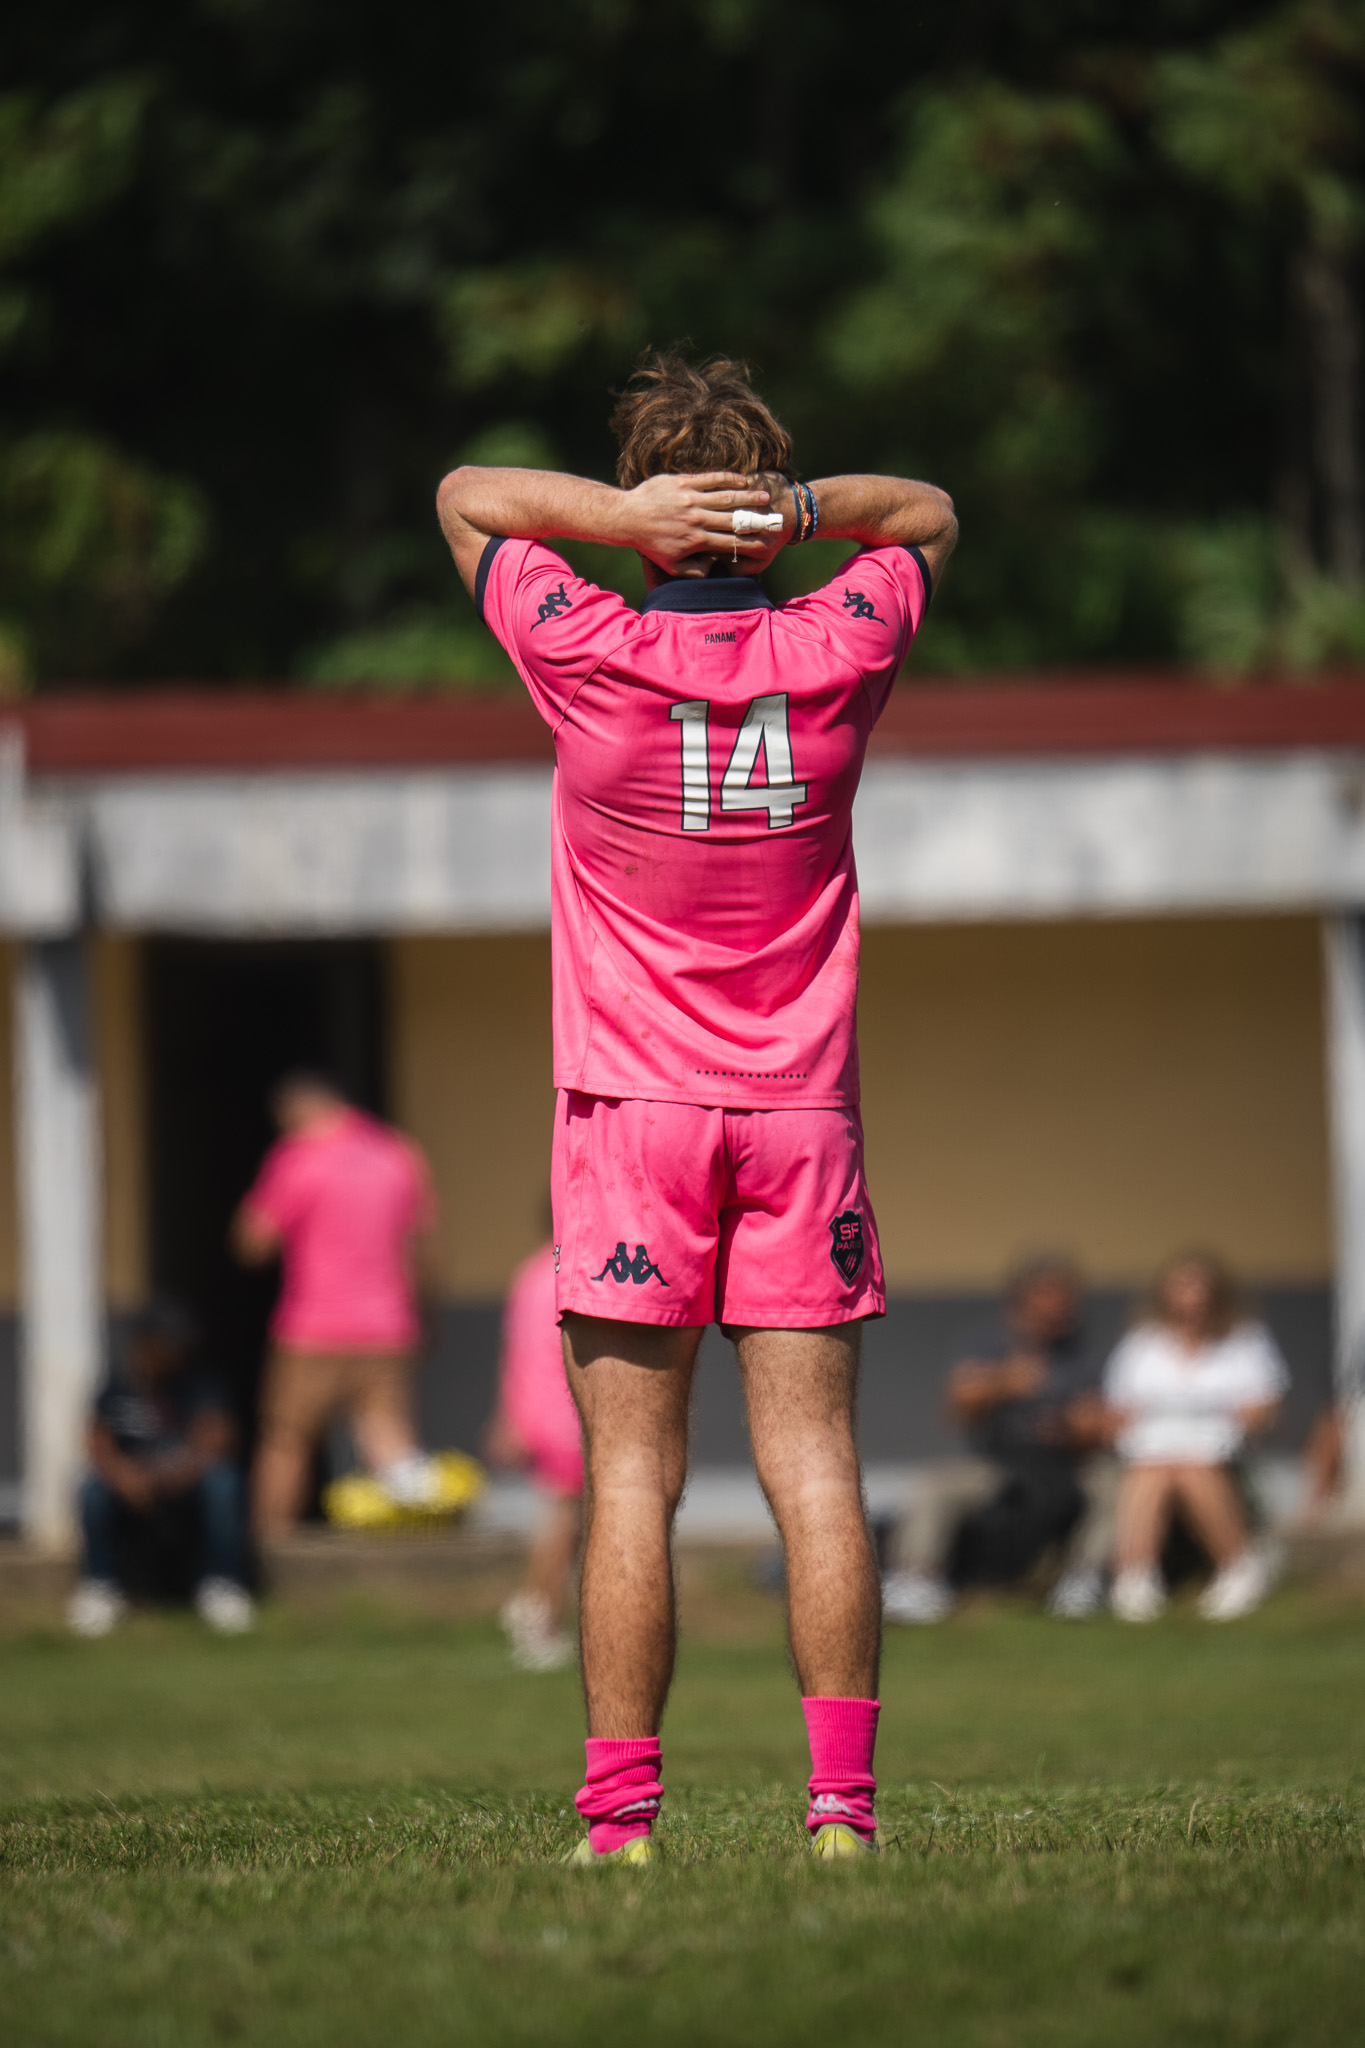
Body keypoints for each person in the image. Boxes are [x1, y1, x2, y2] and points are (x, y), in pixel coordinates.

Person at [437, 351, 957, 1861]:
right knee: (816, 1465)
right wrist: (793, 512)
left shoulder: (587, 644)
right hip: (800, 1115)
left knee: (629, 1475)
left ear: (651, 507)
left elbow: (465, 497)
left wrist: (619, 519)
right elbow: (926, 513)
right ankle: (841, 1814)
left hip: (631, 1113)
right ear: (763, 509)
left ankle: (622, 1824)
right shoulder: (837, 643)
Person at [233, 1072, 440, 1536]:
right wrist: (426, 1316)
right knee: (389, 1439)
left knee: (286, 1440)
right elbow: (423, 1249)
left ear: (293, 1111)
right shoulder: (398, 1154)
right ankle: (417, 1550)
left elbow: (253, 1243)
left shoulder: (297, 1157)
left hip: (311, 1330)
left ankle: (270, 1549)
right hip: (388, 1327)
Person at [882, 1256, 1117, 1624]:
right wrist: (1006, 1383)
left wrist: (1070, 1427)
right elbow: (959, 1403)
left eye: (1068, 1298)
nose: (1061, 1307)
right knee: (935, 1487)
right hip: (999, 1462)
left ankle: (1083, 1581)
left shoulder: (1083, 1353)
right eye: (1051, 1296)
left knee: (1116, 1487)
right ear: (1024, 1298)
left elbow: (1104, 1422)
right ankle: (915, 1580)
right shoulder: (988, 1344)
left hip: (1069, 1465)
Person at [1104, 1252, 1288, 1622]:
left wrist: (1218, 1414)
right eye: (1183, 1289)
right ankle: (1135, 1576)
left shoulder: (1245, 1341)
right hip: (1152, 1447)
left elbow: (1264, 1408)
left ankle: (1237, 1567)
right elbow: (1117, 1409)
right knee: (1154, 1469)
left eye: (1199, 1289)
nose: (1192, 1300)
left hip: (1221, 1447)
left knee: (1191, 1468)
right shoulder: (1143, 1343)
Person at [68, 1299, 254, 1637]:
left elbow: (218, 1438)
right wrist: (123, 1475)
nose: (175, 1351)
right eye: (168, 1342)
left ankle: (221, 1584)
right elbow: (97, 1440)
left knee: (223, 1482)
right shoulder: (118, 1383)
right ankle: (101, 1586)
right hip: (132, 1485)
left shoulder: (201, 1382)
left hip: (185, 1483)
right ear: (147, 1341)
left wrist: (175, 1473)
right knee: (91, 1490)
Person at [485, 1234, 583, 1672]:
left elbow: (515, 1352)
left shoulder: (529, 1275)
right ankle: (540, 1616)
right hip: (565, 1411)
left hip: (536, 1410)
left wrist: (511, 1416)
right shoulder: (577, 1271)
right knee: (565, 1520)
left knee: (562, 1517)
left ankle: (532, 1602)